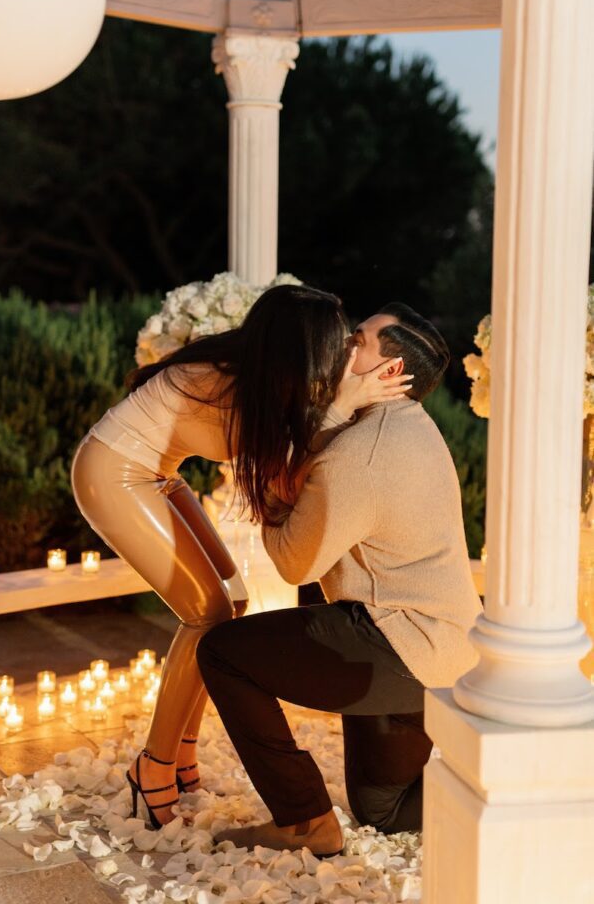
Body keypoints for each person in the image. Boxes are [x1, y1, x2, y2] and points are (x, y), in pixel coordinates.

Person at [71, 284, 410, 829]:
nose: (344, 352)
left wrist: (346, 397)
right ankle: (154, 766)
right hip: (113, 471)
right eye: (336, 343)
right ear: (300, 348)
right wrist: (346, 401)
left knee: (232, 602)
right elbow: (296, 468)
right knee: (206, 612)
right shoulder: (240, 388)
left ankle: (179, 750)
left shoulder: (260, 376)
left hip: (158, 473)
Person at [197, 303, 483, 857]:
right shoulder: (405, 425)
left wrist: (280, 493)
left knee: (223, 653)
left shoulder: (361, 453)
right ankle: (524, 788)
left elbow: (292, 565)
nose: (342, 344)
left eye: (357, 341)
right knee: (386, 811)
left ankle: (304, 822)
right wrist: (328, 418)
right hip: (443, 650)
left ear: (390, 373)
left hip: (396, 640)